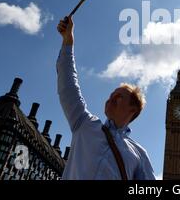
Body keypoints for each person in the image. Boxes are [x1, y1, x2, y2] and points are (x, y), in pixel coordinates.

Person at [56, 16, 155, 180]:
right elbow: (68, 85)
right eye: (111, 95)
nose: (111, 98)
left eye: (119, 96)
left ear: (133, 109)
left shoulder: (139, 155)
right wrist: (68, 41)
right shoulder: (84, 123)